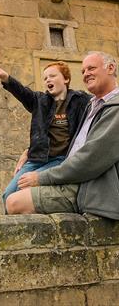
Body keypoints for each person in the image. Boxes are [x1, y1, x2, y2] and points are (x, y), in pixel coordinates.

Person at [7, 51, 119, 220]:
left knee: (14, 202)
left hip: (89, 188)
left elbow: (91, 158)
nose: (86, 74)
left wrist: (42, 178)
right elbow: (27, 97)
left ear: (111, 68)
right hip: (70, 177)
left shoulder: (110, 106)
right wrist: (28, 150)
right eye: (82, 71)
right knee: (10, 194)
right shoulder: (92, 105)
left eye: (91, 68)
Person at [0, 61, 90, 209]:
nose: (48, 80)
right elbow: (23, 92)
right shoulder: (39, 100)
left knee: (25, 189)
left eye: (52, 76)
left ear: (66, 79)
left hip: (61, 160)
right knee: (8, 194)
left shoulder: (80, 100)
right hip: (37, 159)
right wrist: (6, 78)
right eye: (45, 78)